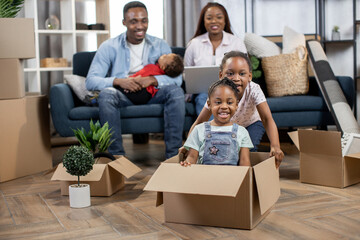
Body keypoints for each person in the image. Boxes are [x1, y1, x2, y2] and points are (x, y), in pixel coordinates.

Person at [86, 1, 185, 159]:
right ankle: (117, 158)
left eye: (144, 20)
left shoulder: (160, 45)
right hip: (123, 95)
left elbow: (177, 79)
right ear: (124, 23)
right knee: (106, 95)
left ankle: (174, 157)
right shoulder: (109, 46)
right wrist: (119, 81)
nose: (140, 26)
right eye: (134, 21)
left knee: (176, 91)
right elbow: (91, 81)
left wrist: (152, 80)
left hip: (152, 94)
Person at [181, 51, 284, 168]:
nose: (236, 78)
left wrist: (275, 145)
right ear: (221, 75)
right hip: (227, 124)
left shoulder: (254, 89)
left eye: (242, 74)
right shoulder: (217, 92)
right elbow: (200, 121)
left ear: (249, 76)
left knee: (247, 153)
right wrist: (188, 145)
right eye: (230, 73)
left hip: (251, 123)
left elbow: (266, 118)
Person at [184, 2, 247, 115]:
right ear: (204, 21)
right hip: (203, 93)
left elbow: (245, 72)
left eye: (219, 17)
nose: (214, 21)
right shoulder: (194, 44)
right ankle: (215, 132)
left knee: (224, 98)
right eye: (209, 18)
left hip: (231, 90)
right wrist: (187, 96)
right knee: (205, 98)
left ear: (225, 20)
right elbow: (186, 73)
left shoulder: (236, 43)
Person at [180, 78, 253, 167]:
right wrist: (186, 164)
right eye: (218, 102)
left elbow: (244, 163)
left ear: (236, 105)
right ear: (209, 105)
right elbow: (191, 158)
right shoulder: (198, 130)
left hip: (232, 179)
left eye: (229, 102)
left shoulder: (242, 132)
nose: (224, 106)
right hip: (204, 178)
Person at [117, 53, 184, 105]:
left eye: (165, 57)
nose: (164, 54)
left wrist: (128, 79)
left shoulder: (152, 68)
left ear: (163, 67)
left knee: (118, 88)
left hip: (141, 93)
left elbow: (138, 77)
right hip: (149, 96)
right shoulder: (165, 75)